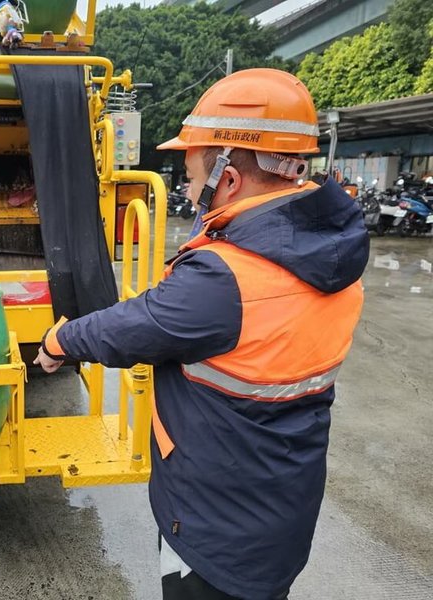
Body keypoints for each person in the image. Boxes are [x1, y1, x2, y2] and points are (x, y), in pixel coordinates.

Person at [34, 68, 369, 599]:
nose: (187, 189)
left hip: (217, 527)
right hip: (280, 505)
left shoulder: (226, 277)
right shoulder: (331, 249)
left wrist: (60, 341)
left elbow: (137, 325)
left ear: (229, 178)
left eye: (190, 174)